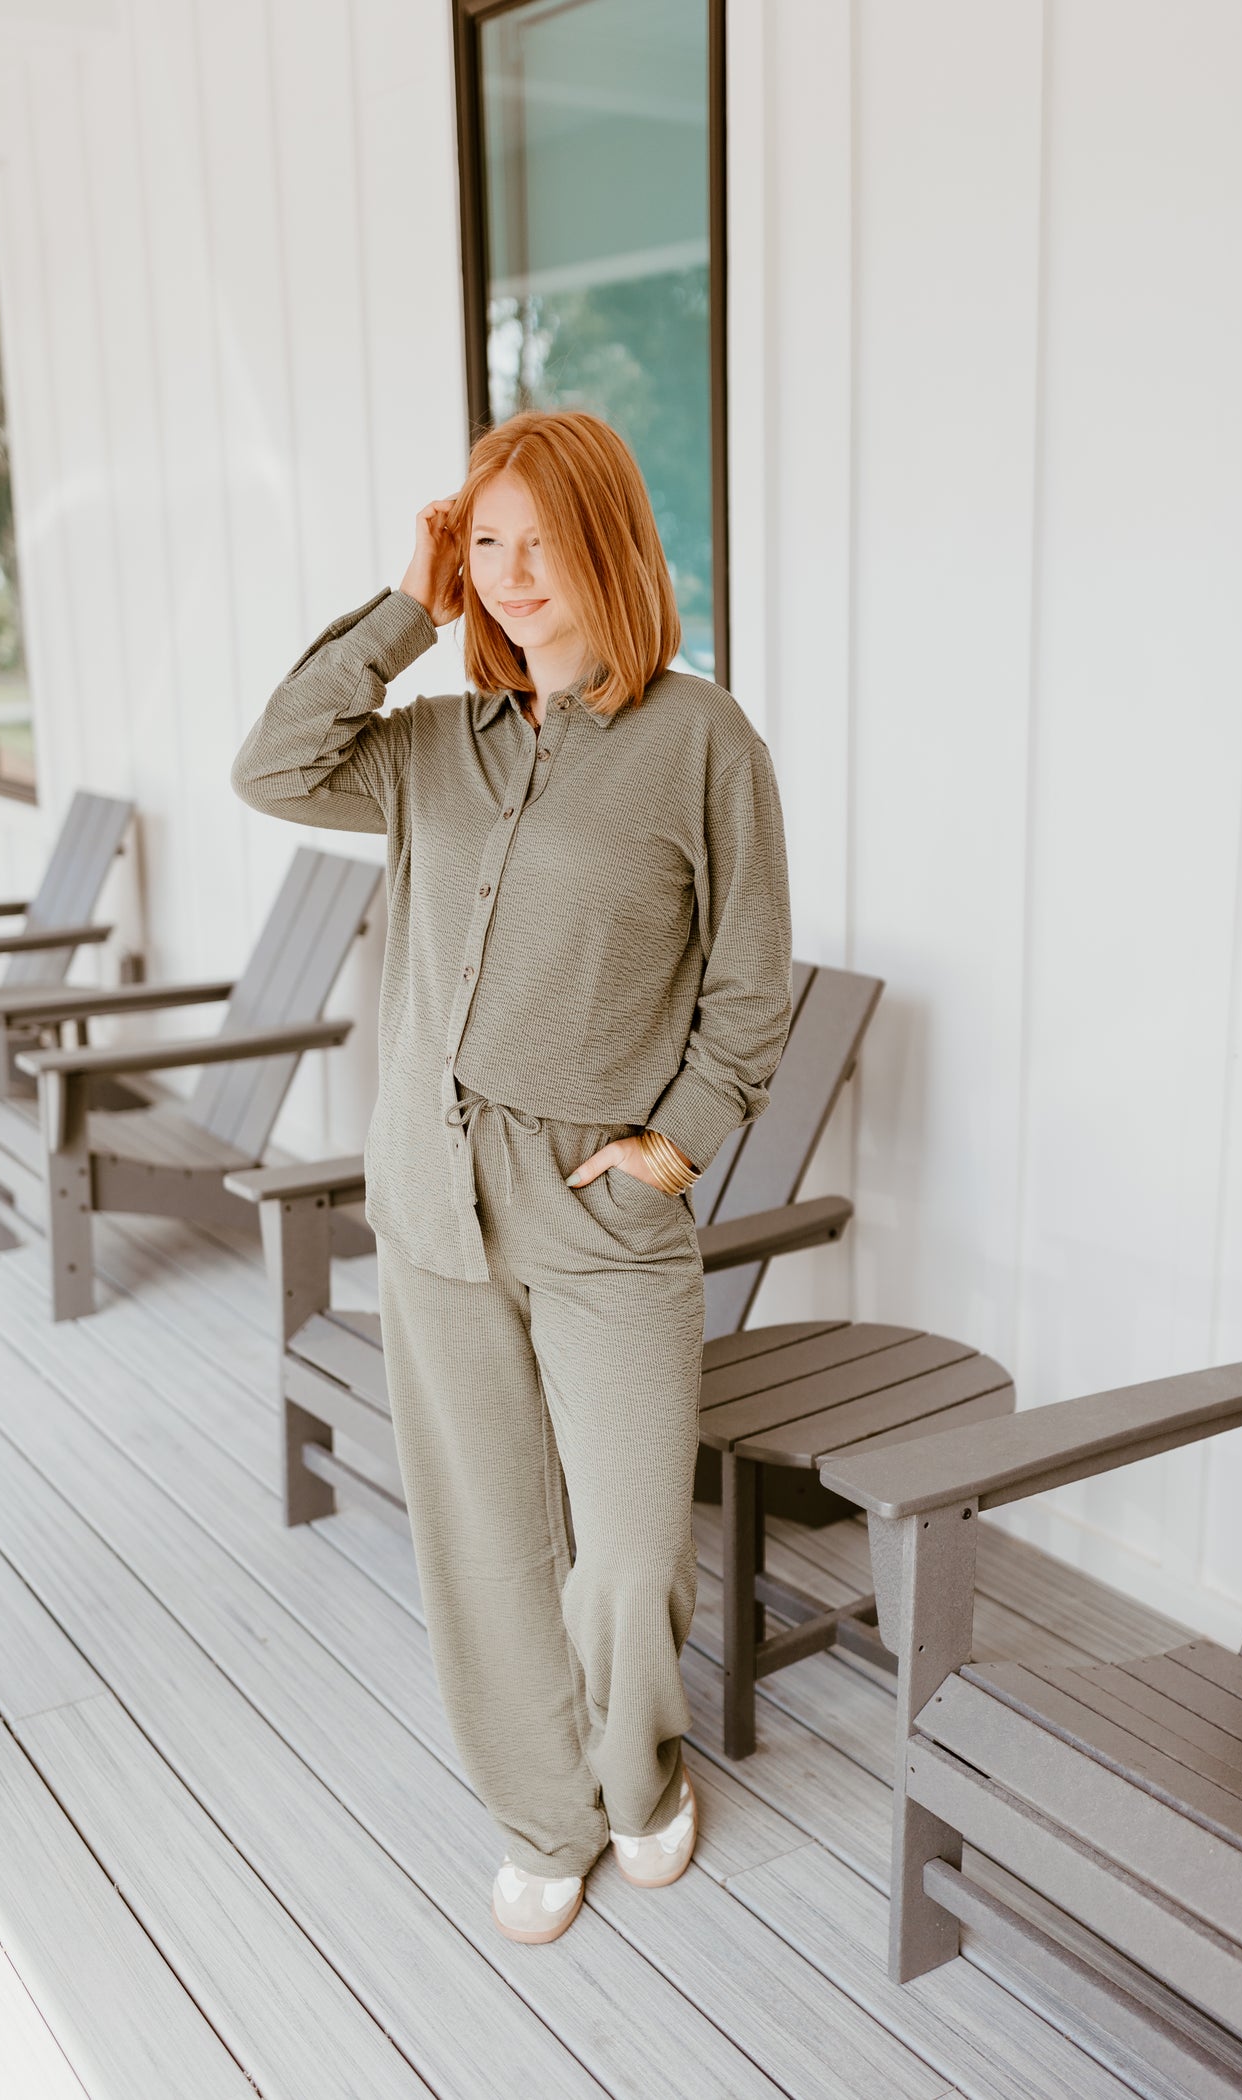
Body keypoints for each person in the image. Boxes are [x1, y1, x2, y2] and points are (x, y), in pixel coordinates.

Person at [231, 407, 792, 1944]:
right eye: (488, 542)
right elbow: (272, 764)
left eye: (543, 538)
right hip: (430, 1198)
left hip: (603, 1221)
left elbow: (751, 985)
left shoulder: (700, 742)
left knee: (620, 1558)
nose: (515, 571)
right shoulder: (424, 752)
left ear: (611, 542)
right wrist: (409, 607)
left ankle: (640, 1772)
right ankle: (545, 1814)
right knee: (484, 1541)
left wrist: (673, 1144)